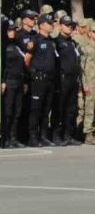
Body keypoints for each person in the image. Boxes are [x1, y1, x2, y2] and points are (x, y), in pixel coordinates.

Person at [26, 15, 58, 147]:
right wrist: (33, 72)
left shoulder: (51, 41)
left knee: (46, 109)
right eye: (48, 23)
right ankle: (33, 137)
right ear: (42, 25)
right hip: (39, 79)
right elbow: (27, 59)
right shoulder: (35, 40)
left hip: (50, 79)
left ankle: (43, 136)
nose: (51, 25)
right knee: (36, 109)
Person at [54, 17, 82, 146]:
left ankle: (68, 134)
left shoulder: (73, 42)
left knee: (72, 108)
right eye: (67, 25)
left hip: (73, 79)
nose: (69, 27)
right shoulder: (57, 42)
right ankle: (56, 135)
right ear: (60, 26)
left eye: (71, 25)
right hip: (63, 78)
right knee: (60, 107)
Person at [2, 16, 26, 148]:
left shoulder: (17, 45)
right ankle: (5, 138)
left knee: (17, 111)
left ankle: (13, 137)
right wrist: (3, 81)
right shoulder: (3, 46)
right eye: (9, 30)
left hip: (19, 81)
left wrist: (25, 81)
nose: (12, 32)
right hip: (9, 81)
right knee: (8, 112)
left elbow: (23, 64)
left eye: (13, 30)